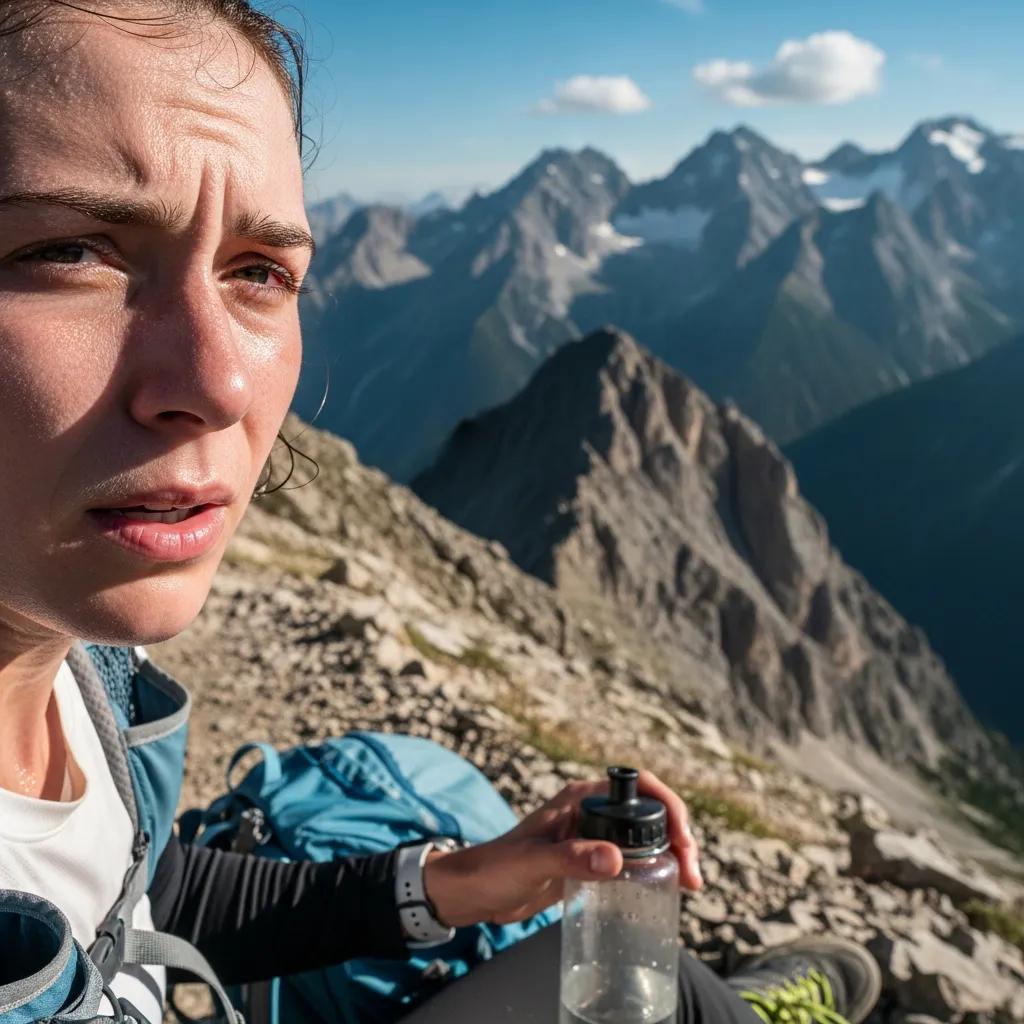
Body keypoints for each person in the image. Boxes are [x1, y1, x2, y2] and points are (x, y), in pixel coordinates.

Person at [0, 2, 882, 1022]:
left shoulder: (81, 675)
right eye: (72, 251)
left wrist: (461, 882)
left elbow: (143, 889)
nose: (222, 381)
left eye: (259, 272)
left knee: (657, 985)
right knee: (664, 999)